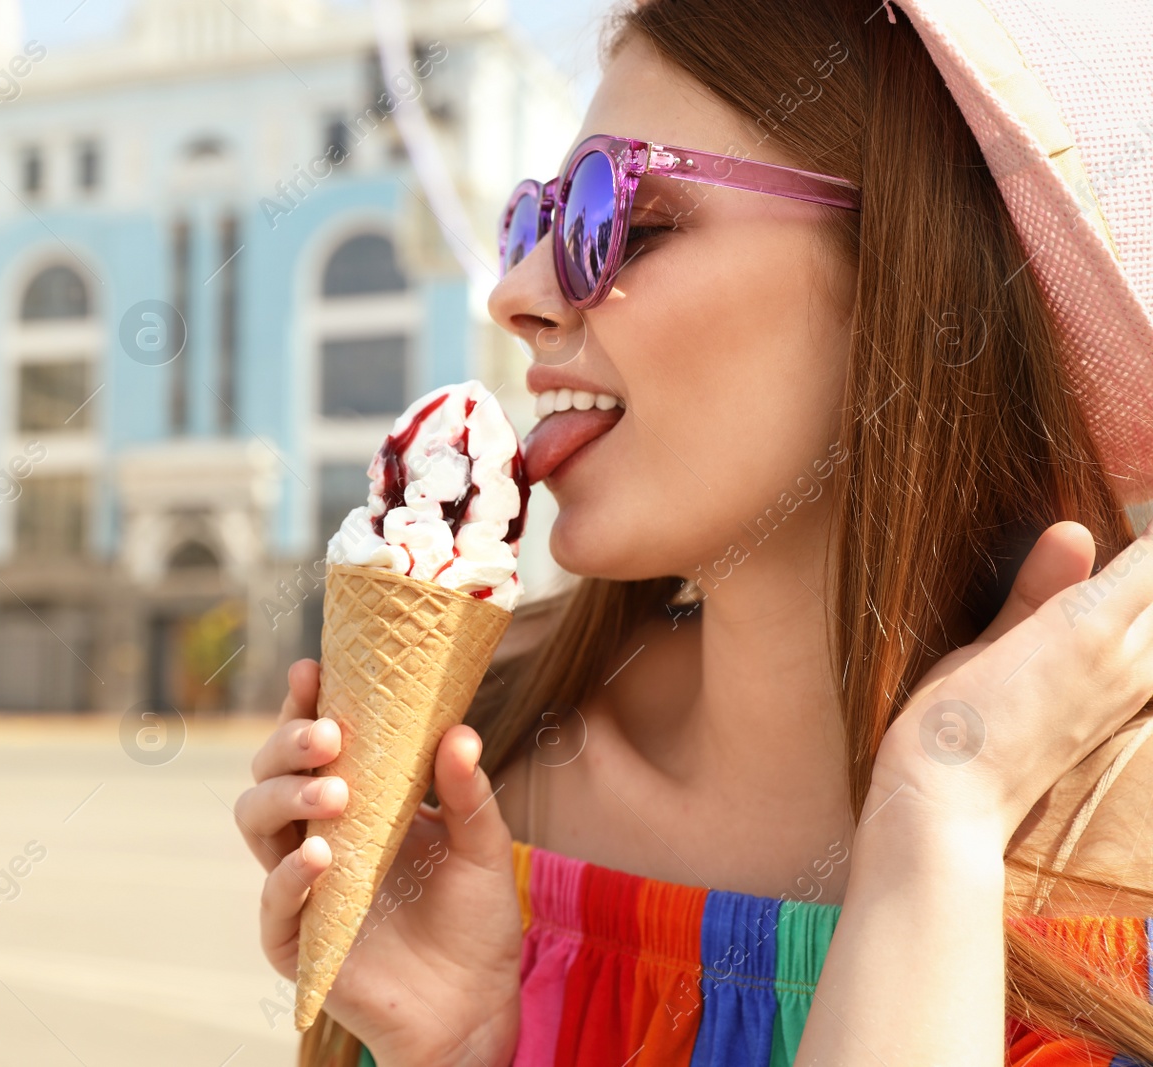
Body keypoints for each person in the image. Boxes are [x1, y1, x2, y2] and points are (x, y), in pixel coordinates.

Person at [239, 0, 1153, 1064]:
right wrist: (456, 1047)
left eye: (616, 216)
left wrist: (935, 824)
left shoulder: (1122, 866)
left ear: (907, 271)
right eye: (532, 220)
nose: (515, 294)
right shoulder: (480, 768)